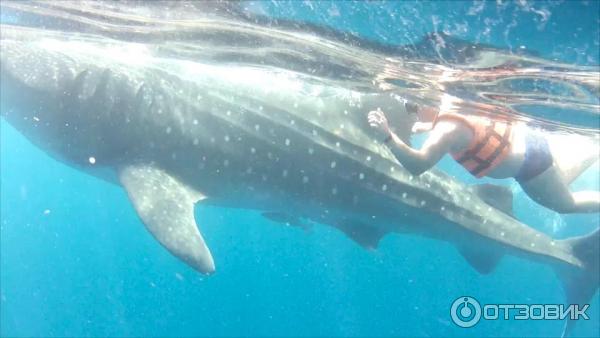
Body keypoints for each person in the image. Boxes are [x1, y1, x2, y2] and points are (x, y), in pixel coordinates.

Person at [367, 101, 600, 214]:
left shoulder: (446, 131)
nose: (413, 112)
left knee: (565, 204)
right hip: (531, 142)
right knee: (558, 178)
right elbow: (466, 129)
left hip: (529, 168)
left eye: (412, 107)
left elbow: (417, 165)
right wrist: (430, 124)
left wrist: (387, 136)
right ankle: (595, 145)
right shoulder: (454, 102)